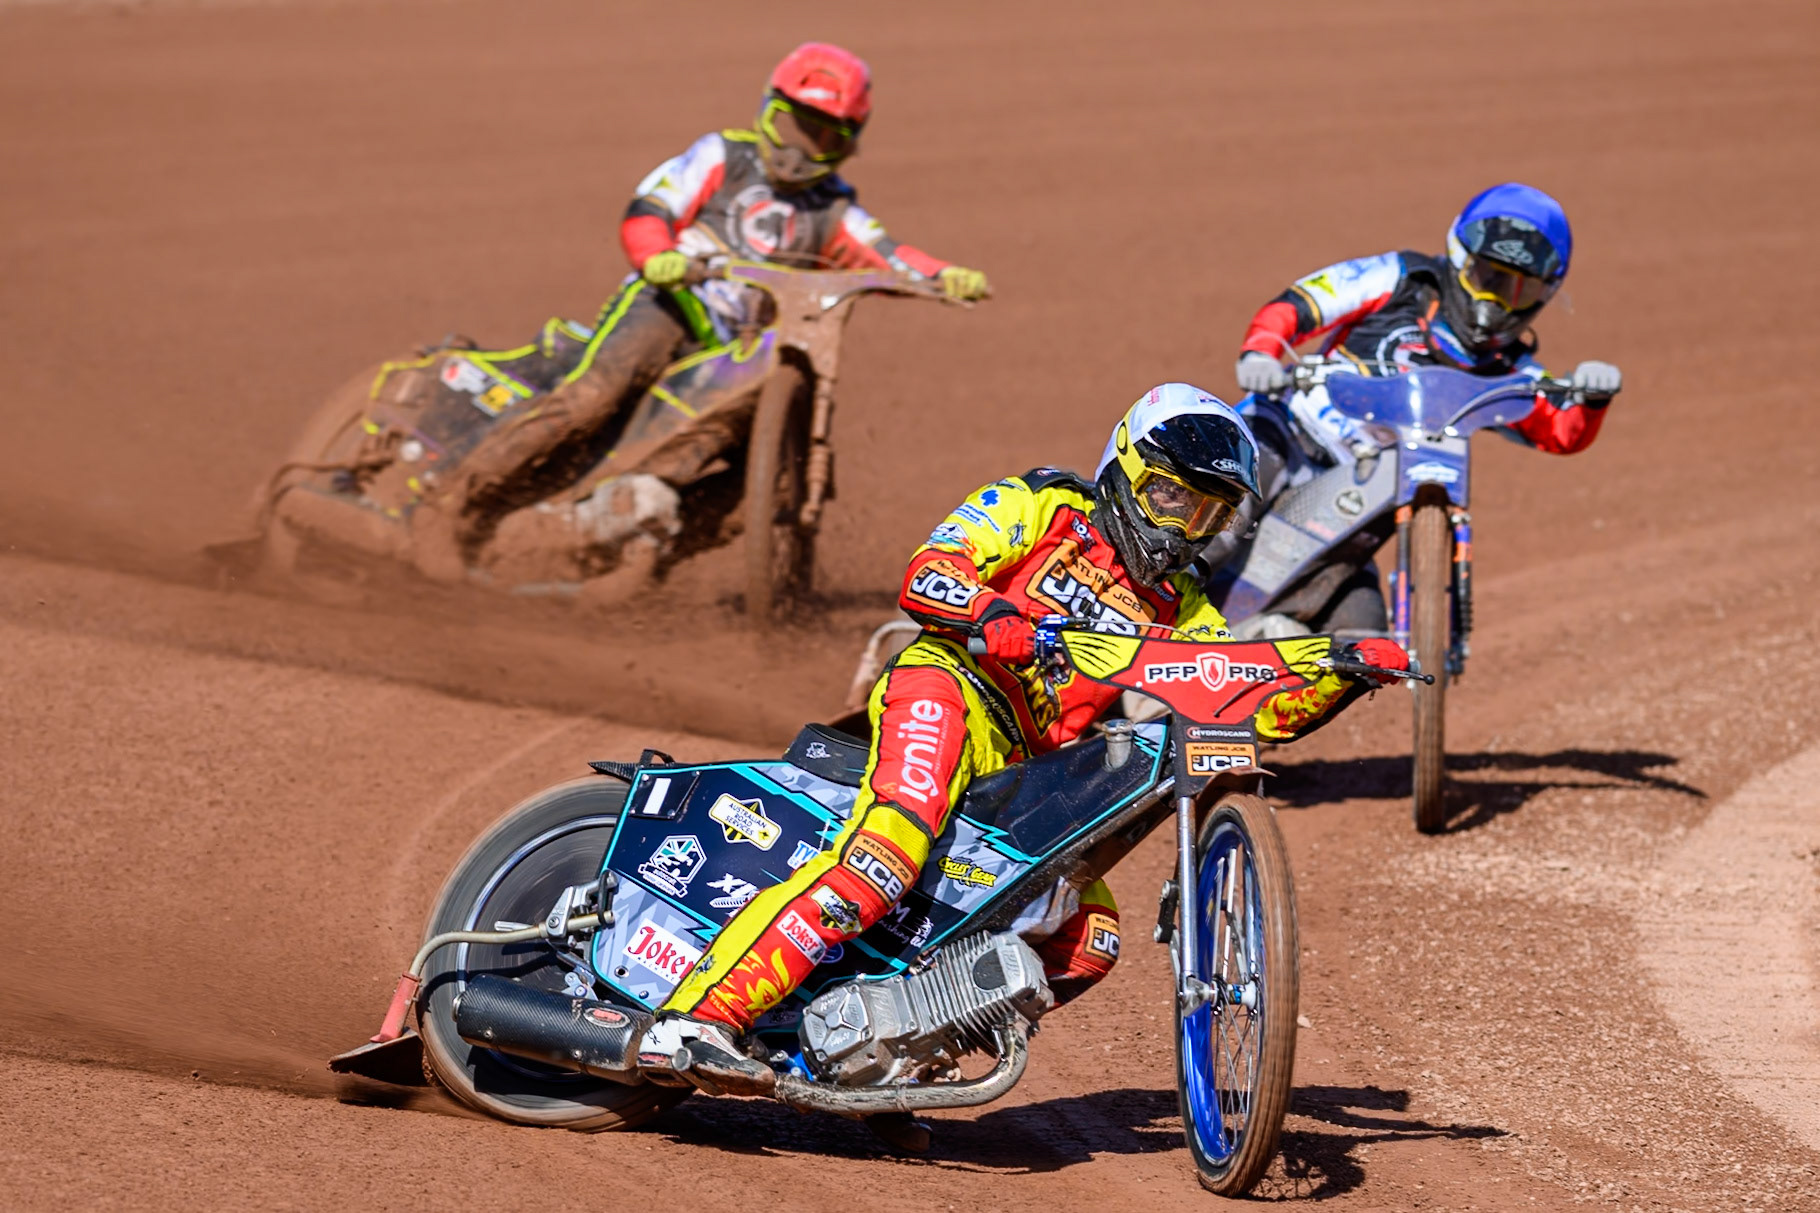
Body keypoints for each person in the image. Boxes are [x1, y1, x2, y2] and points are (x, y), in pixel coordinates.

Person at [639, 383, 1408, 1113]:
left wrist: (1341, 668)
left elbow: (1238, 700)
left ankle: (882, 1057)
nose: (1181, 527)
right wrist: (988, 607)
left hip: (1026, 769)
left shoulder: (1182, 605)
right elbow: (931, 569)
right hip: (950, 686)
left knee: (1088, 938)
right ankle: (693, 1019)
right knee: (887, 852)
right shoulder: (1044, 503)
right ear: (1127, 472)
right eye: (1171, 497)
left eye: (1207, 514)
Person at [410, 41, 991, 582]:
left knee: (767, 480)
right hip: (670, 303)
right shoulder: (722, 155)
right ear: (770, 111)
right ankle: (450, 502)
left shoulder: (834, 208)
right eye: (795, 125)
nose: (800, 149)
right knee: (597, 395)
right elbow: (650, 207)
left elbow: (885, 256)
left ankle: (629, 549)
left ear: (846, 144)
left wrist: (941, 276)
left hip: (734, 352)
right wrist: (657, 255)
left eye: (823, 138)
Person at [1218, 183, 1624, 632]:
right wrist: (1261, 353)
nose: (1494, 305)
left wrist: (1593, 400)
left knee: (1361, 637)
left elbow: (1561, 432)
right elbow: (1300, 305)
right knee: (1219, 520)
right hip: (1291, 431)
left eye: (1518, 291)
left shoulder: (1508, 370)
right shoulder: (1400, 278)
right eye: (1488, 278)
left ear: (1546, 295)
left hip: (1368, 495)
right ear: (1457, 256)